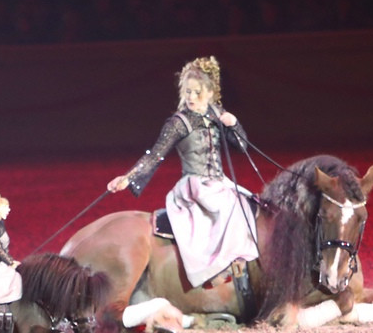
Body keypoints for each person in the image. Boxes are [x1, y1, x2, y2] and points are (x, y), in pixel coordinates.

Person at [107, 56, 259, 288]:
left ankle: (239, 262)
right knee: (224, 208)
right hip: (195, 186)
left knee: (247, 205)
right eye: (187, 92)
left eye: (197, 92)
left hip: (220, 181)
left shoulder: (216, 113)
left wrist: (233, 124)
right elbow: (154, 155)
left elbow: (241, 146)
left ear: (209, 93)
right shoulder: (178, 123)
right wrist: (127, 178)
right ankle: (213, 271)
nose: (191, 98)